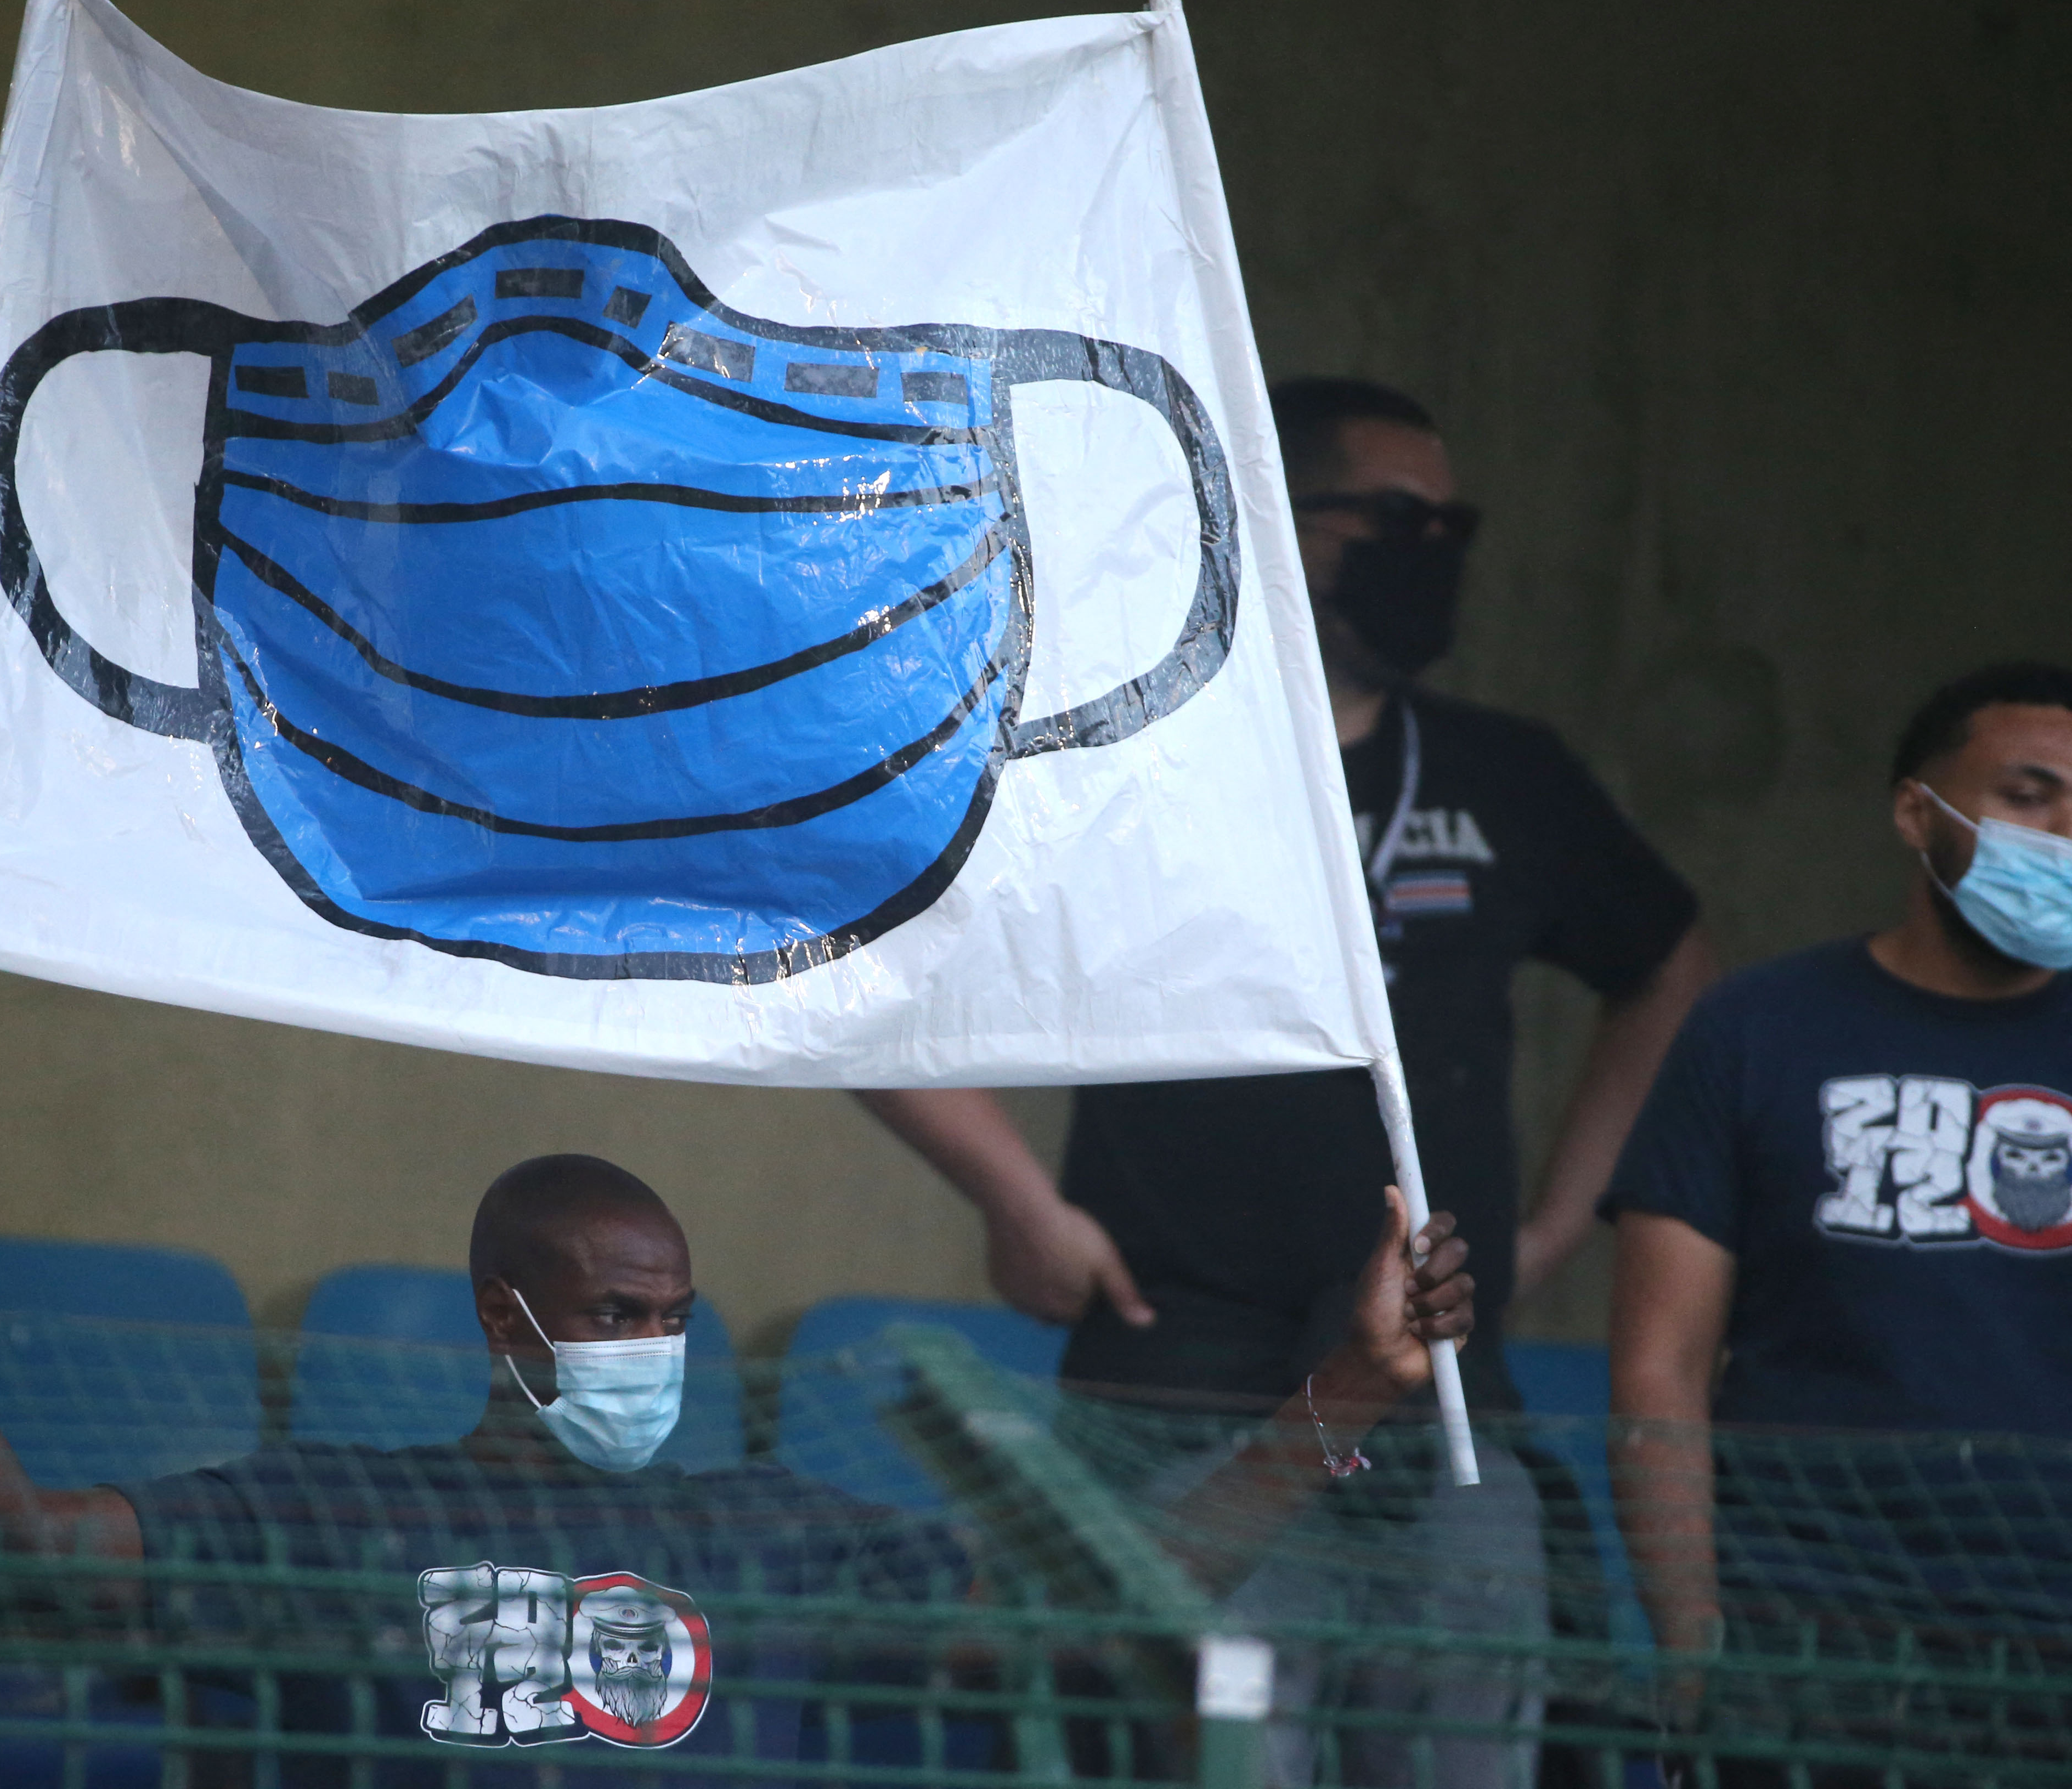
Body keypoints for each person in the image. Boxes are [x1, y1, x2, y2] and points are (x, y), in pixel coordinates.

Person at [0, 1085, 1475, 1779]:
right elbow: (26, 1553)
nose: (654, 1346)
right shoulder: (329, 1512)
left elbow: (1101, 1595)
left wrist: (1349, 1395)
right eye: (610, 1316)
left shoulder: (783, 1536)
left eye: (672, 1314)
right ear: (506, 1322)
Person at [856, 376, 1714, 1416]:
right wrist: (1014, 1199)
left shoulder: (1508, 774)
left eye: (1454, 524)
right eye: (1400, 518)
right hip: (1179, 1363)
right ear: (1275, 522)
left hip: (1435, 1363)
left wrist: (1555, 1228)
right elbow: (863, 949)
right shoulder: (1129, 752)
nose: (1432, 547)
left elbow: (1668, 967)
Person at [1604, 662, 2072, 1668]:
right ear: (1917, 810)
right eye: (2028, 797)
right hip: (1808, 1631)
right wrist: (1696, 1654)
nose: (2064, 835)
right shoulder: (1755, 1028)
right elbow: (1662, 1368)